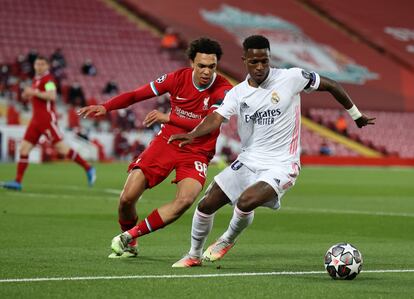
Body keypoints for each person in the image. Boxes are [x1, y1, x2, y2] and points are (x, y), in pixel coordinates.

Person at [168, 35, 376, 267]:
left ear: (269, 59)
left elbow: (332, 85)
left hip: (282, 163)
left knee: (245, 202)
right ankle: (193, 256)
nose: (260, 67)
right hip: (248, 160)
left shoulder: (291, 77)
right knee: (206, 205)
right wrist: (193, 133)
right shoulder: (237, 93)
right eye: (254, 62)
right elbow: (216, 117)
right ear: (244, 60)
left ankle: (226, 239)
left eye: (264, 61)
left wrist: (356, 115)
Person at [77, 37, 232, 258]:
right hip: (167, 143)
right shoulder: (176, 78)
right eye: (201, 66)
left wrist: (170, 118)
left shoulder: (224, 89)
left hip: (197, 150)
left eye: (212, 66)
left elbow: (212, 122)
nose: (207, 71)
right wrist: (106, 106)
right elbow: (136, 94)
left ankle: (130, 236)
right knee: (126, 199)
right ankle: (129, 245)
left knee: (185, 200)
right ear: (191, 63)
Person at [2, 56, 96, 191]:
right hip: (35, 121)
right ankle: (17, 182)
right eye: (37, 64)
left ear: (47, 66)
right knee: (23, 148)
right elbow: (38, 96)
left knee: (62, 149)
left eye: (42, 64)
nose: (39, 67)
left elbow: (52, 95)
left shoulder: (49, 80)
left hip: (47, 120)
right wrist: (28, 94)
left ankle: (88, 167)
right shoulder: (36, 79)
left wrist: (33, 92)